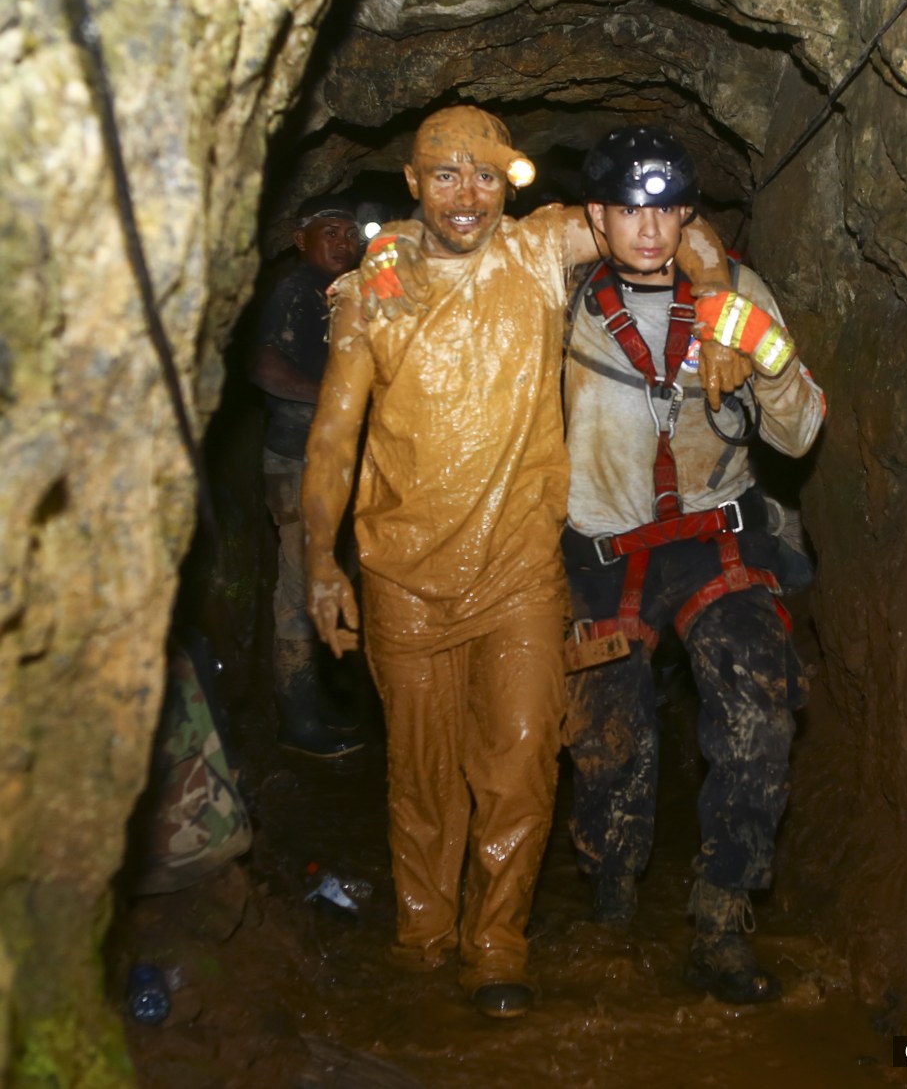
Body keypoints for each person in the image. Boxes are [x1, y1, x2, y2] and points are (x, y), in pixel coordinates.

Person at [300, 105, 736, 1019]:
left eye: (485, 175)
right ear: (412, 184)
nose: (467, 194)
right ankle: (425, 936)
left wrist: (721, 310)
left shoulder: (540, 249)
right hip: (404, 576)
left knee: (524, 761)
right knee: (425, 776)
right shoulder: (375, 288)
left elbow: (679, 232)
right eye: (445, 175)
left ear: (509, 183)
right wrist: (320, 562)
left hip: (520, 573)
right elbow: (334, 439)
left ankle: (497, 944)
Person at [562, 125, 826, 1004]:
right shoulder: (562, 299)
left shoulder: (736, 291)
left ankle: (721, 915)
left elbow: (801, 433)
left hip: (716, 537)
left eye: (669, 209)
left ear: (688, 215)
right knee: (609, 739)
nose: (651, 229)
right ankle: (611, 903)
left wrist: (765, 351)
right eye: (630, 210)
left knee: (758, 708)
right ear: (597, 216)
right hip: (605, 549)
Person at [250, 194, 365, 758]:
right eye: (330, 231)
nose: (343, 241)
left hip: (331, 461)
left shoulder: (339, 294)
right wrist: (334, 398)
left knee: (331, 577)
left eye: (349, 232)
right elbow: (265, 366)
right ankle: (298, 723)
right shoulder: (294, 291)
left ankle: (317, 706)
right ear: (300, 240)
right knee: (300, 587)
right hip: (297, 460)